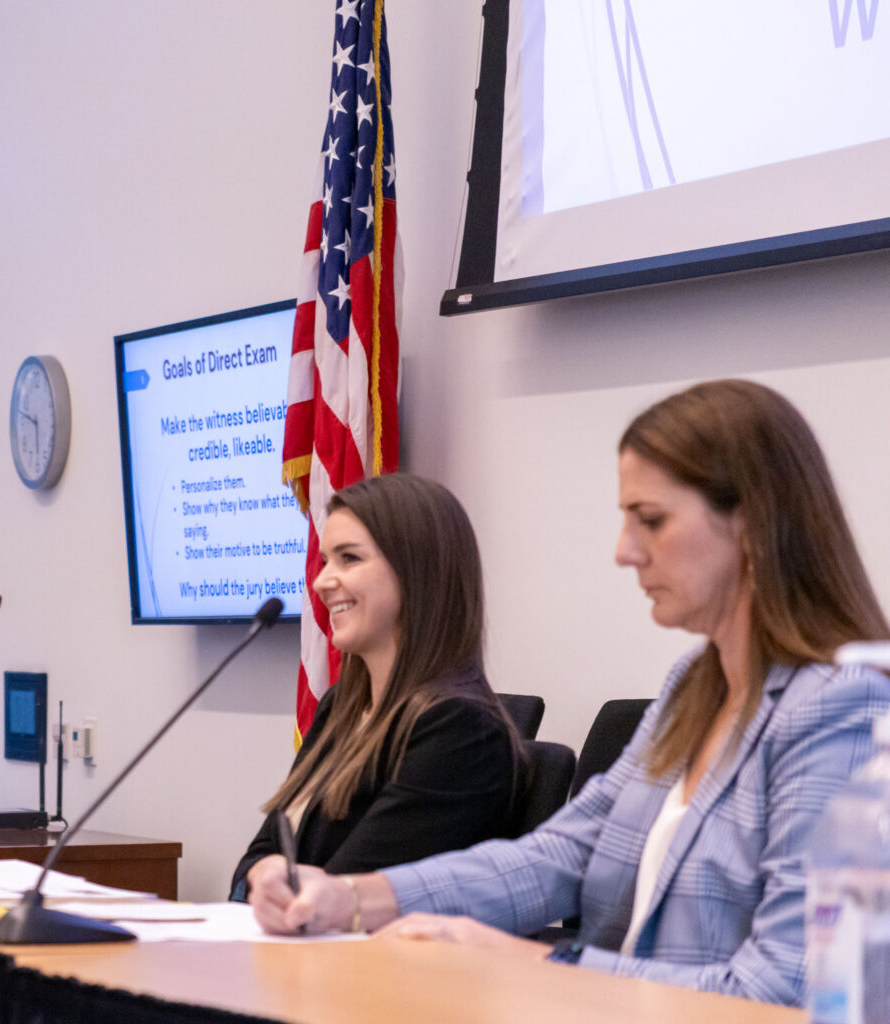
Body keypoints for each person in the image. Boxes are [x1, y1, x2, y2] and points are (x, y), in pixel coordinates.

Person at [248, 379, 890, 1006]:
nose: (624, 552)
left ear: (751, 525)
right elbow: (560, 857)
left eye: (652, 520)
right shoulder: (690, 689)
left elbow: (794, 987)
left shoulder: (845, 710)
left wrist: (536, 961)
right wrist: (352, 899)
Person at [231, 474, 522, 901]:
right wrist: (264, 875)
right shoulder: (341, 708)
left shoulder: (459, 730)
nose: (322, 581)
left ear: (417, 570)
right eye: (326, 560)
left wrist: (275, 890)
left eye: (349, 558)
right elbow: (255, 860)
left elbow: (348, 898)